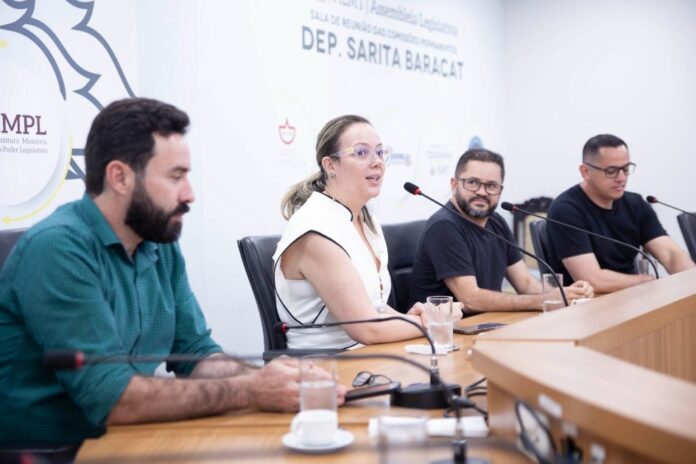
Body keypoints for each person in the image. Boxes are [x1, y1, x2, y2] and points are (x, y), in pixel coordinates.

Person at [0, 98, 345, 457]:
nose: (189, 194)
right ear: (119, 177)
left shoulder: (157, 241)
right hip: (53, 451)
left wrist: (280, 378)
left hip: (127, 438)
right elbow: (112, 398)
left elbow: (194, 354)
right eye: (175, 176)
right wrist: (252, 389)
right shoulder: (58, 248)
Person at [274, 115, 437, 349]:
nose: (377, 162)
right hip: (327, 370)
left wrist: (414, 319)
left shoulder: (365, 219)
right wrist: (432, 322)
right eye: (361, 153)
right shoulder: (316, 229)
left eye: (380, 152)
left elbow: (375, 307)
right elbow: (366, 328)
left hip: (372, 357)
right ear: (330, 165)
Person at [410, 148, 594, 311]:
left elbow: (526, 283)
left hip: (486, 325)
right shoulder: (444, 227)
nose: (482, 192)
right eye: (473, 183)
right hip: (446, 334)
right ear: (454, 184)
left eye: (491, 186)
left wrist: (569, 293)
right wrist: (543, 300)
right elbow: (471, 299)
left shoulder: (495, 221)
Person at [547, 134, 694, 293]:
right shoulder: (566, 210)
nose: (621, 178)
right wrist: (645, 280)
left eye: (625, 169)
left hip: (632, 297)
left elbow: (671, 254)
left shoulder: (636, 204)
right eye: (611, 171)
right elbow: (592, 279)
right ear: (586, 171)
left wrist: (690, 279)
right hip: (586, 305)